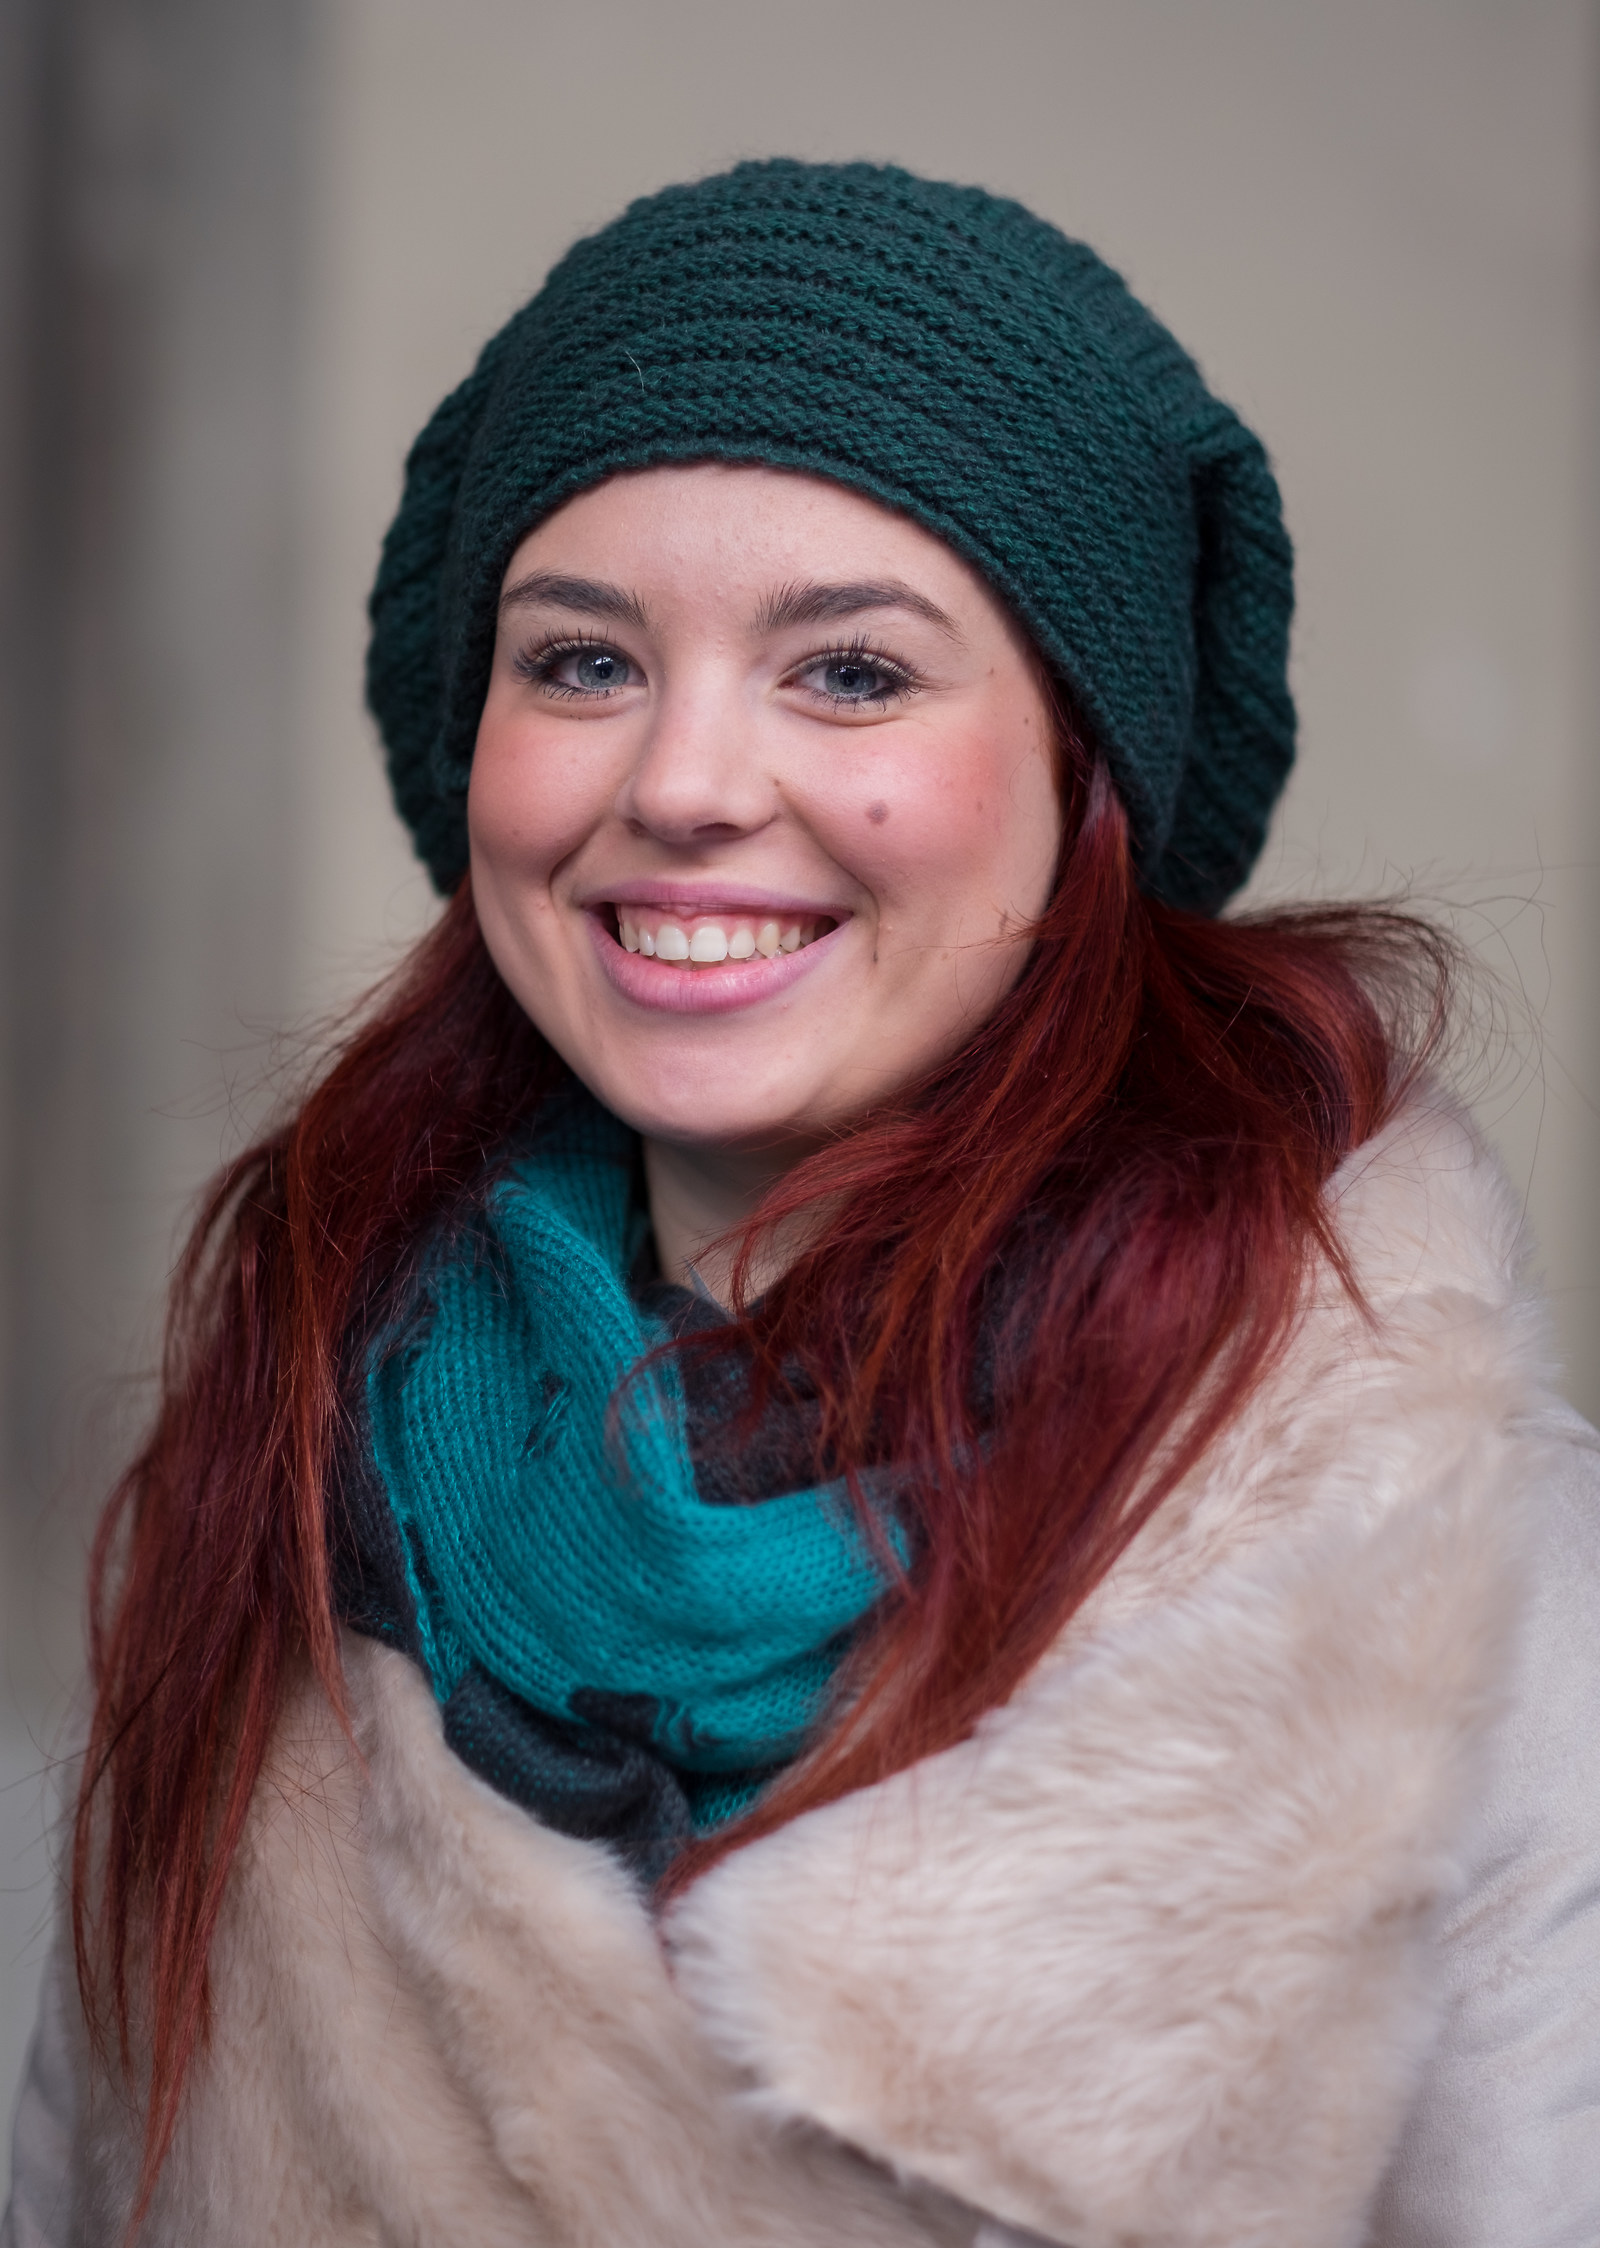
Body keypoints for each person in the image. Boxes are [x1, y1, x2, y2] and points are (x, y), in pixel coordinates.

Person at [6, 160, 1598, 2248]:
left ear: (1076, 789)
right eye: (579, 664)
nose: (678, 781)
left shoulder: (1431, 1572)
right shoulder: (302, 1450)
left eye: (847, 673)